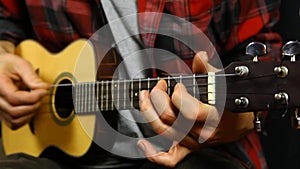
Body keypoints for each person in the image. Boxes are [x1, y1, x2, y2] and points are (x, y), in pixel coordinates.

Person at [0, 0, 282, 169]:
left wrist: (238, 118)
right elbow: (6, 16)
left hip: (192, 152)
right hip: (57, 153)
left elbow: (258, 52)